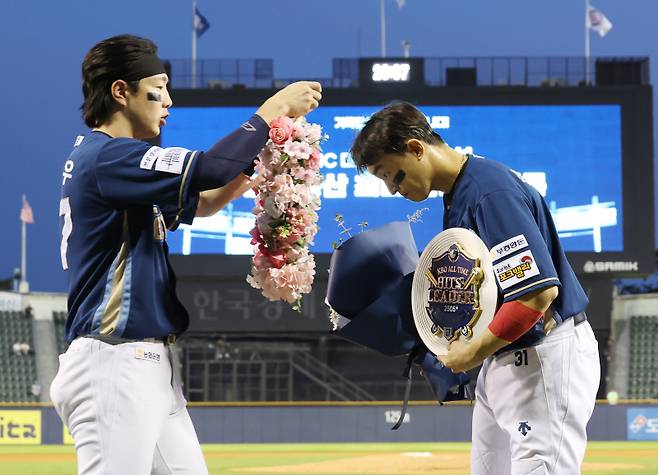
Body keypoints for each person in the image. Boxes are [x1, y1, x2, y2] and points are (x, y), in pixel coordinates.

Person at [49, 34, 321, 475]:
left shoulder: (118, 166)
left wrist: (260, 168)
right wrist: (273, 111)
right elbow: (210, 168)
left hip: (148, 366)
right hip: (115, 362)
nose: (169, 100)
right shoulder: (109, 157)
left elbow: (205, 200)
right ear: (121, 91)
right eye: (158, 87)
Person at [350, 101, 600, 474]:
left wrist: (471, 352)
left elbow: (536, 294)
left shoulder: (489, 192)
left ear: (417, 149)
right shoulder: (462, 191)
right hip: (507, 356)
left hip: (542, 356)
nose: (392, 189)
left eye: (395, 175)